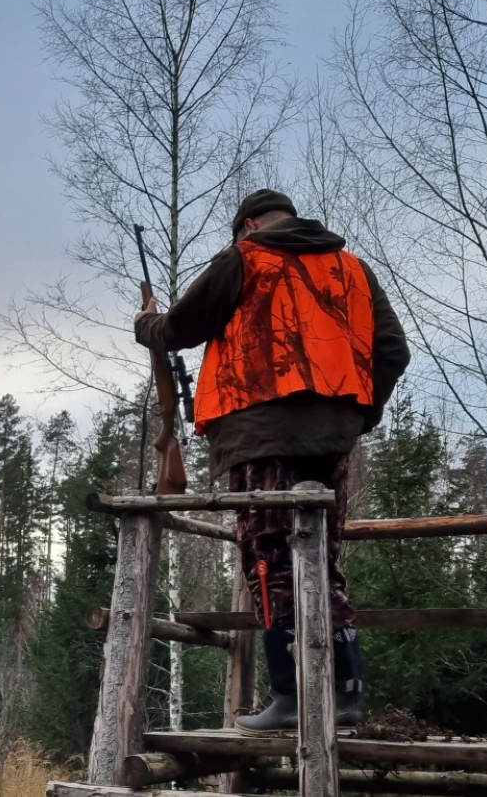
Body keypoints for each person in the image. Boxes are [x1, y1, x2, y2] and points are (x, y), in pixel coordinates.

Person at [134, 189, 410, 733]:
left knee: (270, 561)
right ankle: (346, 698)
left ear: (249, 224)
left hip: (260, 437)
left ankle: (291, 695)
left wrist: (145, 323)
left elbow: (177, 330)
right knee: (323, 563)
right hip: (334, 442)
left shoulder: (245, 256)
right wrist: (358, 415)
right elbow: (393, 351)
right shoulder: (352, 268)